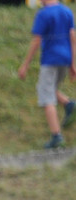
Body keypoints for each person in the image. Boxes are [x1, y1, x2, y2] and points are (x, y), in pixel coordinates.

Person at [17, 0, 76, 150]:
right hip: (66, 58)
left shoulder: (43, 14)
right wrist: (73, 63)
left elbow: (36, 40)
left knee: (46, 96)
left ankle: (56, 136)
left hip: (51, 59)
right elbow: (73, 37)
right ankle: (69, 104)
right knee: (48, 88)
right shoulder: (66, 11)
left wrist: (25, 64)